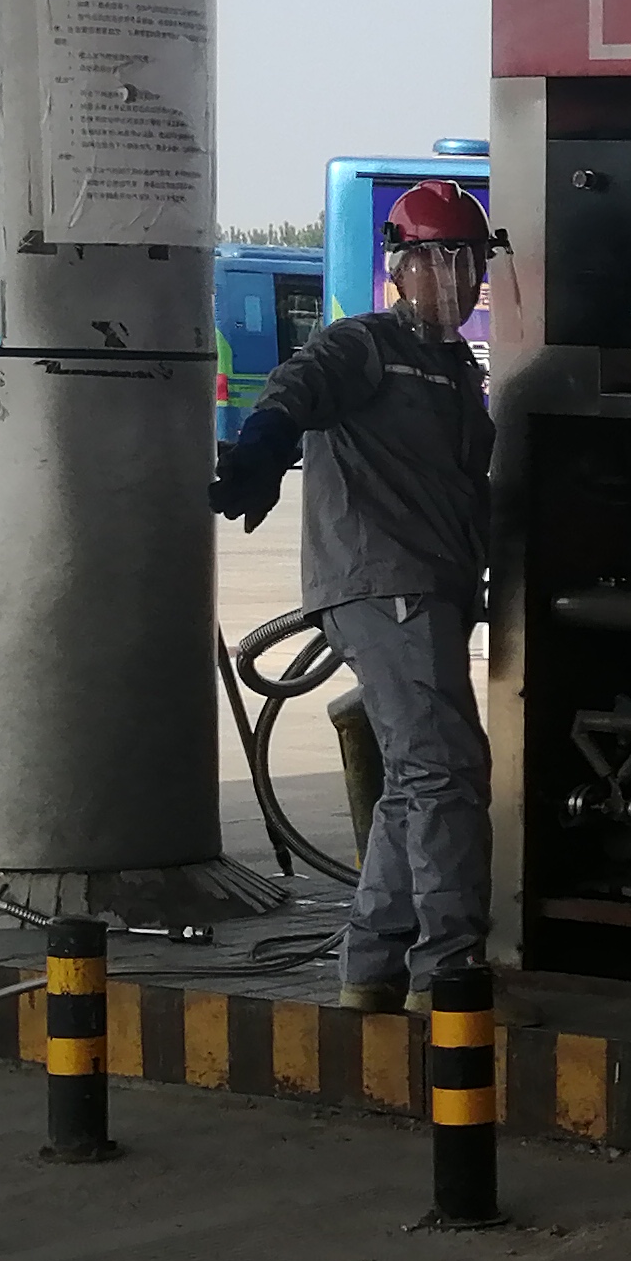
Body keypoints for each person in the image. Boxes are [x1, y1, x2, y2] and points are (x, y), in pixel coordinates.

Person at [213, 182, 497, 1013]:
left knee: (416, 777)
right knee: (447, 771)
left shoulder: (456, 370)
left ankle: (372, 968)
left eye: (469, 263)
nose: (457, 280)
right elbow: (296, 388)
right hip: (385, 582)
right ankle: (448, 973)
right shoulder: (366, 344)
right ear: (400, 266)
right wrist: (261, 451)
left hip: (432, 588)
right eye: (438, 261)